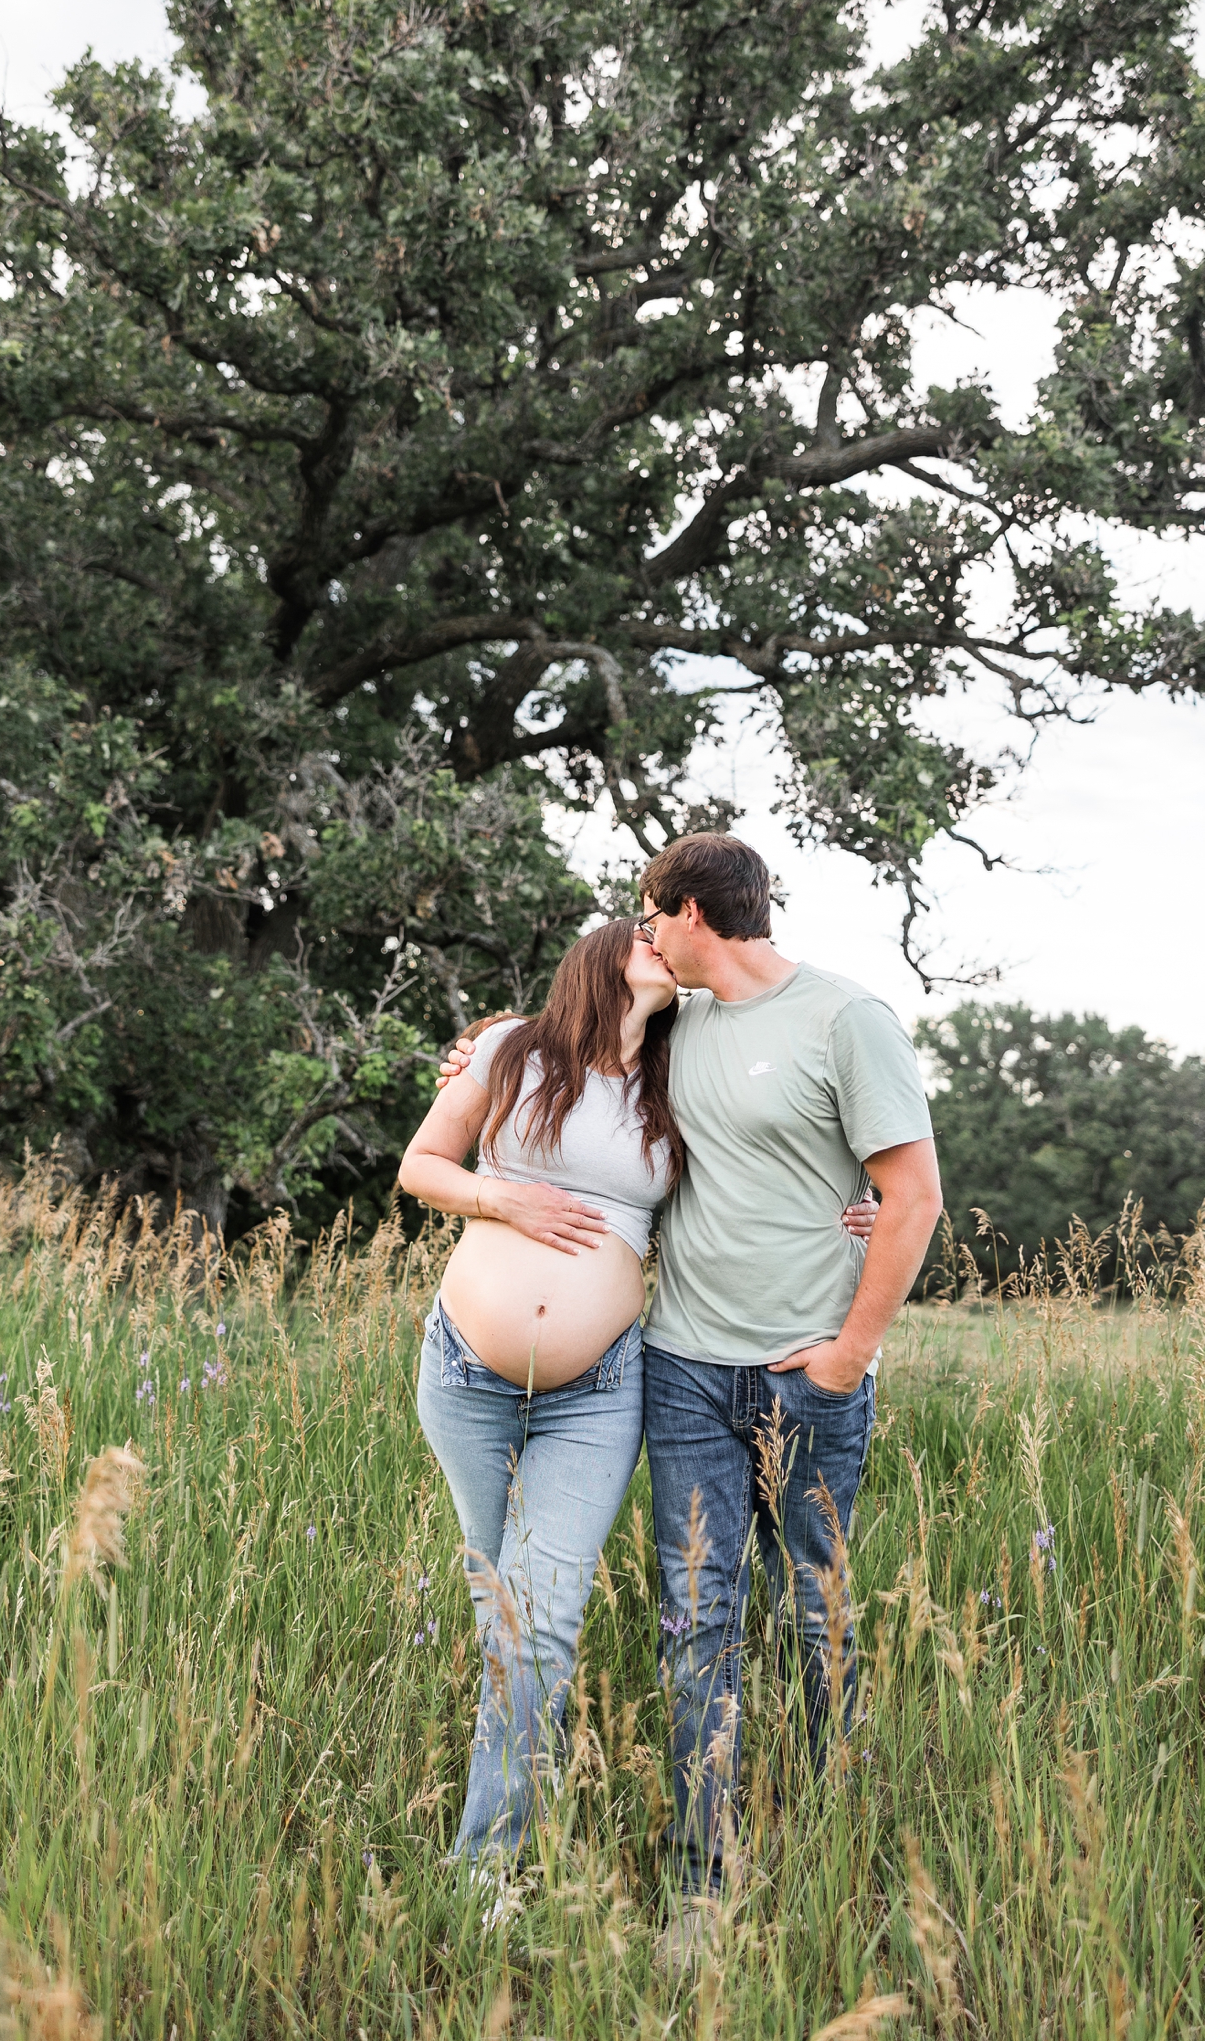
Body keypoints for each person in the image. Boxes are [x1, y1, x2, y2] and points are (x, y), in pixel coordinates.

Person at [437, 835, 941, 1964]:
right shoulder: (680, 1020)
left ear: (694, 913)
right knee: (697, 1626)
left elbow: (913, 1195)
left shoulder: (845, 1018)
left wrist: (851, 1353)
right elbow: (573, 1033)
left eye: (651, 913)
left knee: (820, 1618)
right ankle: (701, 1892)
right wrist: (475, 1046)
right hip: (678, 1368)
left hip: (803, 1376)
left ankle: (832, 1849)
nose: (642, 931)